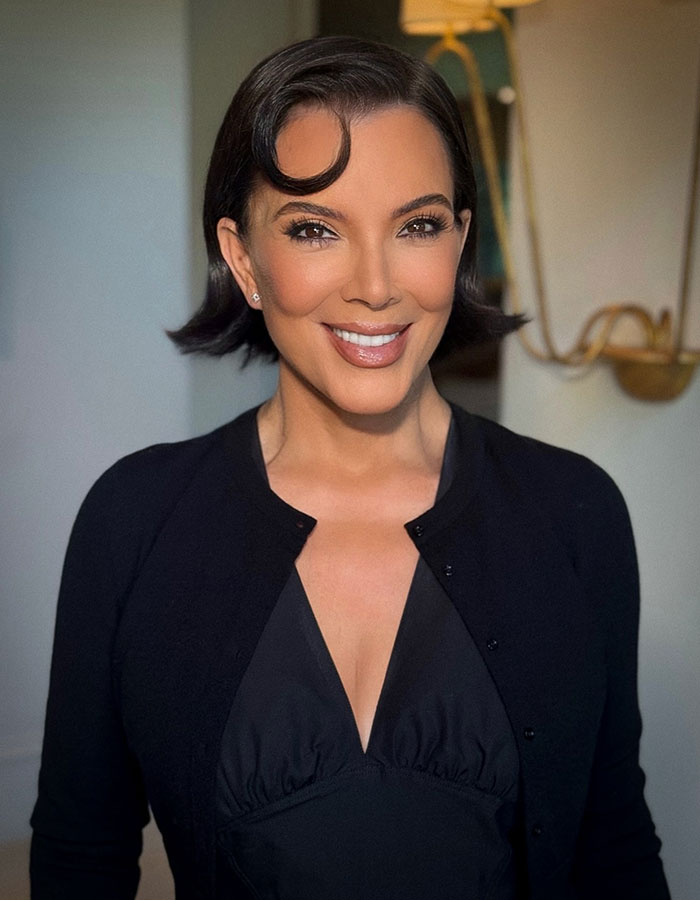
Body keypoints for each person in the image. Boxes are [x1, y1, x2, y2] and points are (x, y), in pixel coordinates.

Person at [30, 35, 670, 900]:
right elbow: (80, 853)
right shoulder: (134, 520)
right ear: (244, 259)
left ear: (459, 243)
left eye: (417, 225)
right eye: (314, 229)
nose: (376, 285)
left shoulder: (575, 513)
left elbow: (613, 849)